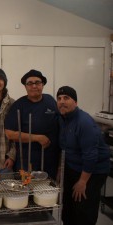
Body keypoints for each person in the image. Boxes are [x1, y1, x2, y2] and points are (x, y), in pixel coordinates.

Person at [56, 86, 110, 225]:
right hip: (74, 166)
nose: (62, 101)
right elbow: (64, 148)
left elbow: (91, 156)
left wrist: (83, 182)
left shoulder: (84, 122)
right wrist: (61, 171)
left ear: (76, 102)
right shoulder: (63, 118)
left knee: (83, 209)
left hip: (93, 171)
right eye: (59, 98)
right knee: (68, 207)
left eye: (66, 98)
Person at [4, 69, 60, 179]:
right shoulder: (18, 106)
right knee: (27, 192)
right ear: (25, 86)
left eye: (37, 82)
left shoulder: (50, 101)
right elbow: (9, 134)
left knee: (48, 192)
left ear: (43, 84)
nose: (34, 86)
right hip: (27, 161)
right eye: (30, 83)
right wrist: (37, 138)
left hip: (50, 160)